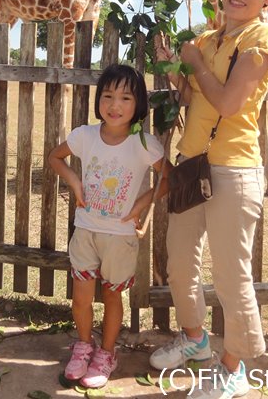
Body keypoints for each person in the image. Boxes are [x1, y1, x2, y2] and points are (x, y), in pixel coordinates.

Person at [150, 0, 268, 399]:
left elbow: (229, 102)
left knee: (230, 276)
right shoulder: (210, 40)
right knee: (180, 265)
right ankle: (195, 340)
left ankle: (233, 367)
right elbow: (194, 99)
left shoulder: (262, 40)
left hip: (233, 171)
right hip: (192, 166)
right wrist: (174, 67)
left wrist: (192, 63)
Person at [49, 63, 171, 389]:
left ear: (139, 105)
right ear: (98, 100)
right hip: (86, 231)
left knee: (113, 298)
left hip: (120, 238)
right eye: (107, 95)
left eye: (125, 98)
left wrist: (140, 206)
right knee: (81, 299)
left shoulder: (144, 143)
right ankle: (84, 345)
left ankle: (106, 353)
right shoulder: (84, 135)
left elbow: (167, 179)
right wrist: (74, 182)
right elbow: (55, 157)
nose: (114, 105)